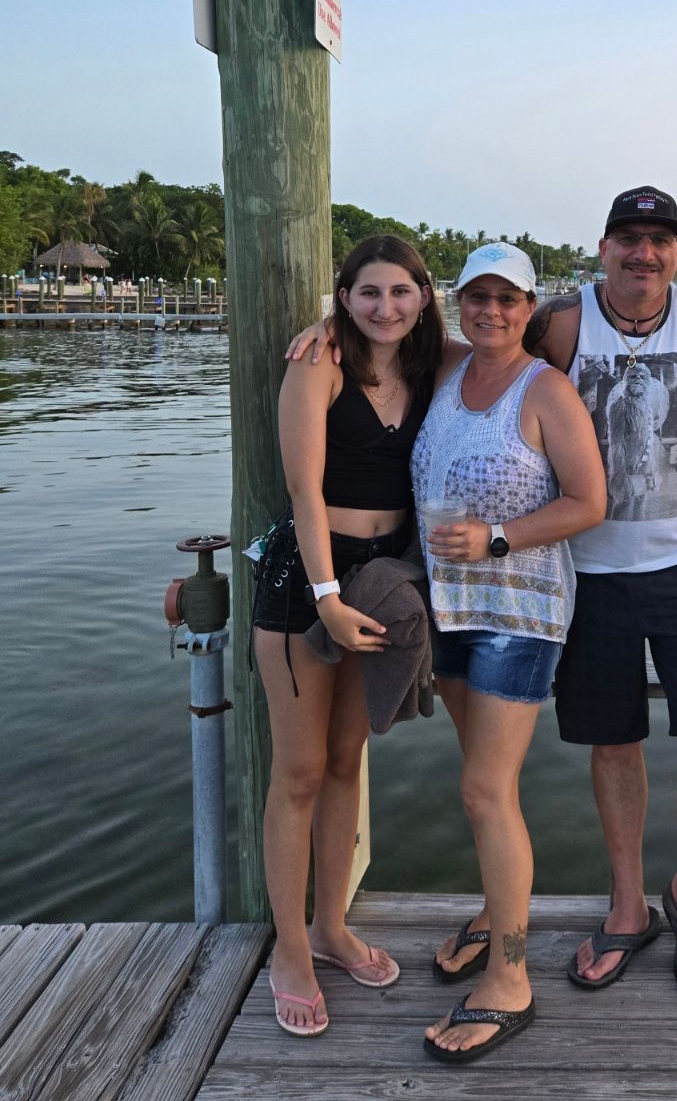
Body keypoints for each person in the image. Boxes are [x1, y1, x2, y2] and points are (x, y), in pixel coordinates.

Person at [525, 187, 677, 1000]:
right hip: (585, 568)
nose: (644, 253)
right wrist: (333, 336)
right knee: (612, 742)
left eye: (660, 240)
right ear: (604, 247)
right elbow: (471, 363)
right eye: (630, 238)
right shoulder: (558, 322)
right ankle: (628, 903)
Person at [414, 243, 607, 1063]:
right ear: (459, 301)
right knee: (482, 784)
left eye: (509, 299)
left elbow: (589, 501)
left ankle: (511, 978)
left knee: (485, 790)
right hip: (448, 608)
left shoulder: (545, 388)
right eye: (478, 296)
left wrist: (497, 538)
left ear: (532, 308)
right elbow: (379, 331)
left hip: (517, 613)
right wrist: (321, 329)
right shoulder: (449, 374)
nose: (492, 310)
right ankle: (499, 912)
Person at [255, 234, 452, 1036]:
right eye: (367, 293)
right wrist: (327, 596)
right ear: (344, 297)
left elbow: (509, 334)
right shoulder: (319, 364)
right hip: (309, 581)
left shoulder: (429, 364)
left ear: (424, 296)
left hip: (383, 574)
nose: (385, 308)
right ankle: (290, 948)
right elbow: (302, 490)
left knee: (347, 763)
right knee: (298, 773)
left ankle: (333, 926)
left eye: (401, 292)